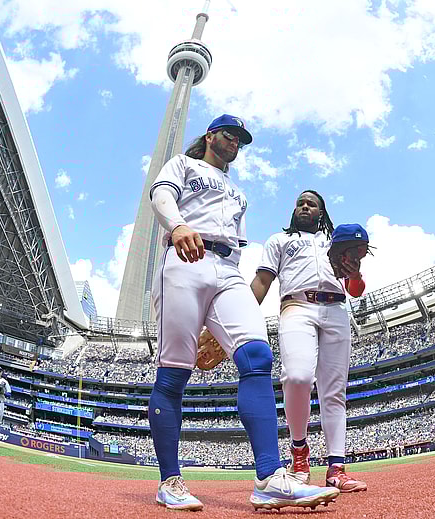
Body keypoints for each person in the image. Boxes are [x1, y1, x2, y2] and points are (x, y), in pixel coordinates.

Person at [148, 115, 340, 512]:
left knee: (257, 356)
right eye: (229, 134)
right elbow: (160, 195)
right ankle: (170, 480)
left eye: (240, 138)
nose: (235, 141)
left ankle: (269, 478)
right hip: (185, 259)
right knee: (175, 372)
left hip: (228, 267)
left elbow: (235, 241)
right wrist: (178, 224)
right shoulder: (184, 164)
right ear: (210, 135)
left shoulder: (238, 193)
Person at [250, 191, 368, 493]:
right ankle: (299, 452)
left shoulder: (337, 244)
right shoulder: (280, 240)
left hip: (336, 310)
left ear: (321, 212)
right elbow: (263, 281)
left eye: (311, 203)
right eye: (300, 202)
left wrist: (355, 273)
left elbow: (356, 289)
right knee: (297, 376)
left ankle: (336, 468)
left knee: (334, 392)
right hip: (296, 306)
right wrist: (243, 317)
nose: (304, 206)